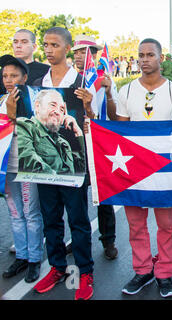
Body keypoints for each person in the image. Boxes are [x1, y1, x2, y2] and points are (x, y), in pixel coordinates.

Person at [116, 38, 172, 298]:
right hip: (133, 168)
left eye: (150, 54)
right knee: (136, 224)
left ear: (161, 58)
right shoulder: (125, 91)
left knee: (166, 225)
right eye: (140, 55)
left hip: (164, 171)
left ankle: (164, 272)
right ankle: (142, 269)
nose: (144, 59)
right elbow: (121, 132)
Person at [30, 27, 95, 301]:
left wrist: (90, 107)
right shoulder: (36, 81)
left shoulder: (81, 81)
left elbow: (94, 121)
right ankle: (57, 266)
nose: (48, 49)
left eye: (54, 45)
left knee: (78, 219)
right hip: (44, 161)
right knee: (50, 218)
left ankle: (85, 271)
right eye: (45, 44)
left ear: (67, 48)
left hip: (73, 161)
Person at [72, 34, 120, 260]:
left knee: (103, 195)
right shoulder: (69, 78)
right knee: (75, 195)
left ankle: (108, 239)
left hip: (98, 142)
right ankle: (78, 237)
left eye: (86, 51)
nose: (81, 56)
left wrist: (108, 92)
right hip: (73, 144)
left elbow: (114, 115)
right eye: (78, 52)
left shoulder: (103, 79)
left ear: (95, 54)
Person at [0, 55, 44, 283]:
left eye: (14, 75)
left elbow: (39, 132)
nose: (9, 80)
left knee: (31, 213)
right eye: (5, 75)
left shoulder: (35, 101)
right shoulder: (0, 100)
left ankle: (35, 259)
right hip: (6, 169)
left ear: (25, 78)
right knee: (15, 213)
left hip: (28, 167)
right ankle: (23, 256)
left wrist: (12, 112)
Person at [16, 89, 85, 175]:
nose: (57, 112)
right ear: (37, 106)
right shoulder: (24, 126)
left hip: (68, 188)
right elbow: (28, 162)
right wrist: (62, 180)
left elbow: (82, 170)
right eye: (53, 105)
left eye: (62, 109)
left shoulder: (63, 143)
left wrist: (79, 134)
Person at [0, 29, 50, 95]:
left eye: (24, 42)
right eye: (15, 42)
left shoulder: (47, 71)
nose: (18, 46)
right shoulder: (3, 72)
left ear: (34, 47)